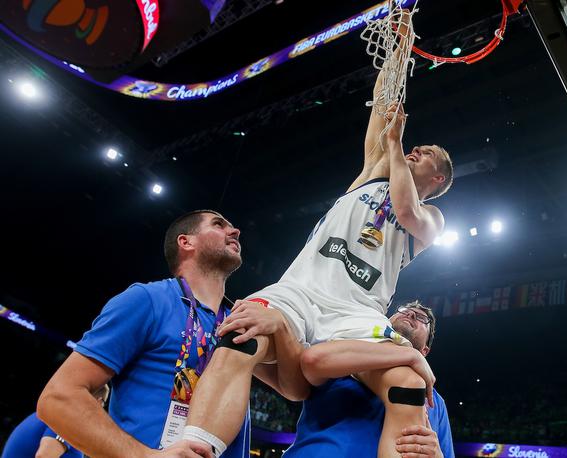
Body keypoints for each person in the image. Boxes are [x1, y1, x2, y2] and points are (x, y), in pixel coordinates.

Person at [182, 40, 454, 457]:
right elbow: (383, 106)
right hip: (301, 292)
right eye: (418, 148)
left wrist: (399, 147)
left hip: (358, 311)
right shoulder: (372, 174)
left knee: (408, 382)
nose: (419, 150)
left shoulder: (432, 218)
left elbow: (405, 207)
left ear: (439, 181)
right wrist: (399, 46)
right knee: (239, 336)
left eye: (429, 156)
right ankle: (191, 450)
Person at [37, 210, 304, 458]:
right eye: (218, 224)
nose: (234, 231)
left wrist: (281, 326)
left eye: (232, 227)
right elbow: (58, 398)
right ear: (186, 242)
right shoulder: (147, 300)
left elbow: (294, 390)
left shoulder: (240, 318)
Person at [285, 301, 455, 458]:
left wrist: (438, 455)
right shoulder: (344, 355)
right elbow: (313, 359)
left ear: (425, 351)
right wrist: (410, 355)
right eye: (405, 310)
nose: (410, 315)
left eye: (421, 318)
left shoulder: (435, 402)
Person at [2, 385, 109, 458]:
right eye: (104, 404)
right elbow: (44, 456)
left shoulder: (57, 412)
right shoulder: (68, 417)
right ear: (98, 402)